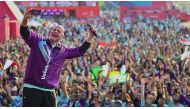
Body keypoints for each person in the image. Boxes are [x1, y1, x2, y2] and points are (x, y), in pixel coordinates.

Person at [20, 9, 96, 107]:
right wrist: (25, 19)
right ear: (49, 32)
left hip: (49, 91)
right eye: (54, 30)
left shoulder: (63, 51)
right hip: (32, 88)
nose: (55, 31)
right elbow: (24, 32)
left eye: (59, 31)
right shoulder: (37, 41)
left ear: (62, 37)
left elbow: (80, 51)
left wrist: (91, 36)